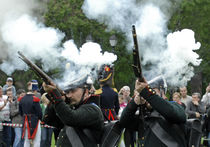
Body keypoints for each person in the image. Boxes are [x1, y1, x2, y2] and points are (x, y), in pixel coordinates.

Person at [120, 78, 187, 147]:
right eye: (145, 92)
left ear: (162, 92)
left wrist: (146, 92)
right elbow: (124, 122)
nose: (146, 95)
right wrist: (134, 102)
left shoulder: (174, 106)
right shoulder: (144, 115)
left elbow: (171, 113)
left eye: (152, 90)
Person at [42, 75, 104, 147]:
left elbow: (71, 118)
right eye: (68, 91)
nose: (69, 95)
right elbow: (49, 119)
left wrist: (55, 95)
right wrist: (58, 97)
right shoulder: (75, 109)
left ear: (86, 91)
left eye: (73, 91)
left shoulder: (93, 110)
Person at [18, 81, 42, 147]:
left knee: (26, 141)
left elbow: (20, 112)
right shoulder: (35, 99)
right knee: (36, 141)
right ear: (34, 90)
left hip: (25, 121)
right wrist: (39, 118)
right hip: (34, 121)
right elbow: (40, 113)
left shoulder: (22, 99)